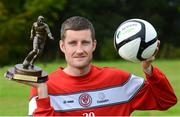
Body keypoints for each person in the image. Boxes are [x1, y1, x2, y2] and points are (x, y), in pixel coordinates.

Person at [24, 16, 177, 116]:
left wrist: (148, 70)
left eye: (85, 43)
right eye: (72, 43)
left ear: (94, 45)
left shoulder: (120, 81)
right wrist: (43, 91)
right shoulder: (45, 86)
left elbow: (166, 100)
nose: (79, 50)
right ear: (62, 46)